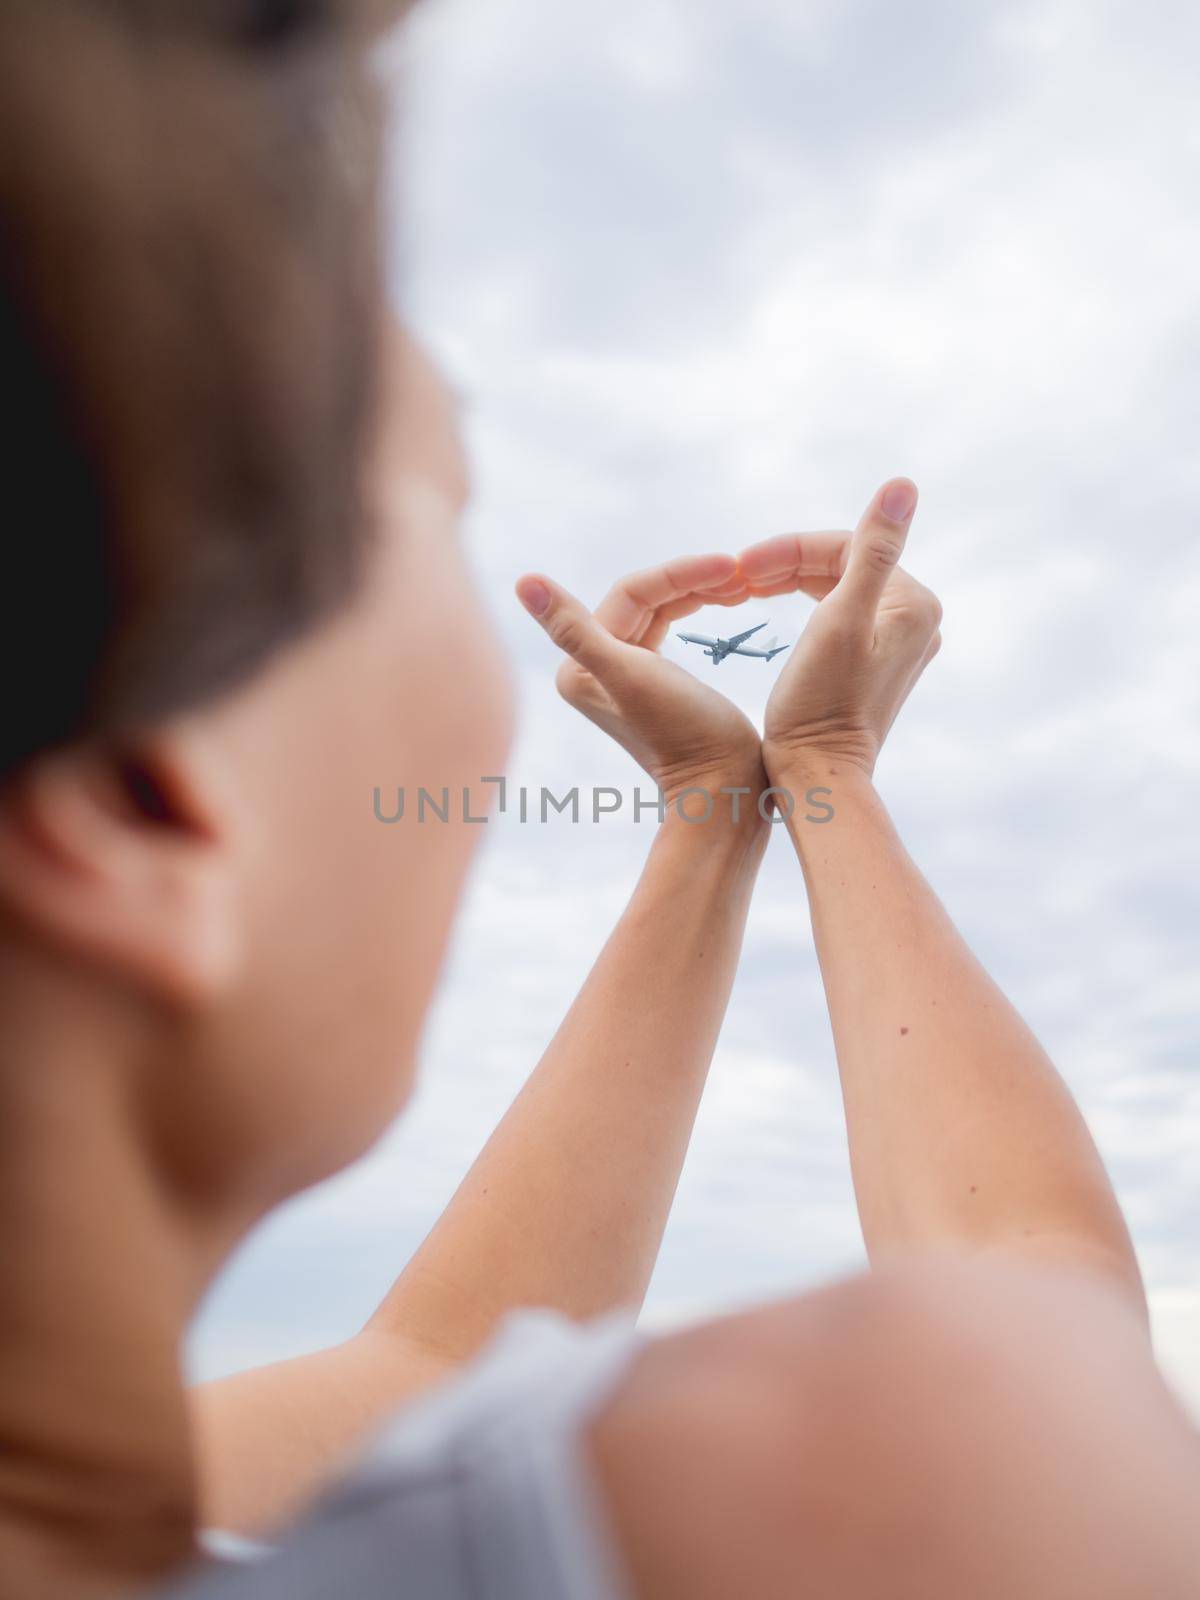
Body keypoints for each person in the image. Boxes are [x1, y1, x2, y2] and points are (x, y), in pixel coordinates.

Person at [0, 3, 1196, 1597]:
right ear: (157, 811)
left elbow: (437, 1363)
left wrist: (719, 804)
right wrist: (827, 774)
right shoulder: (886, 1462)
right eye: (442, 509)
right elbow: (1047, 1340)